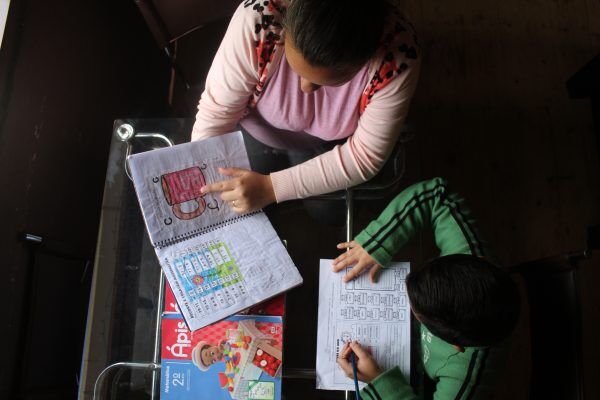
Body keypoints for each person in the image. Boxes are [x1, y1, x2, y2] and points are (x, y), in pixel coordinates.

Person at [194, 0, 421, 213]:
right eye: (296, 69)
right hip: (255, 133)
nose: (304, 89)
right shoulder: (259, 21)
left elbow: (364, 156)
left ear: (362, 61)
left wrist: (271, 188)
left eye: (326, 83)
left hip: (330, 146)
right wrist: (204, 179)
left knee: (328, 211)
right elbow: (215, 116)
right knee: (247, 202)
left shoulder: (397, 59)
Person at [333, 178, 520, 399]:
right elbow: (438, 194)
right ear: (473, 258)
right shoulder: (472, 257)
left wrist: (379, 382)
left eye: (417, 312)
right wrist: (377, 243)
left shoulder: (468, 377)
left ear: (456, 347)